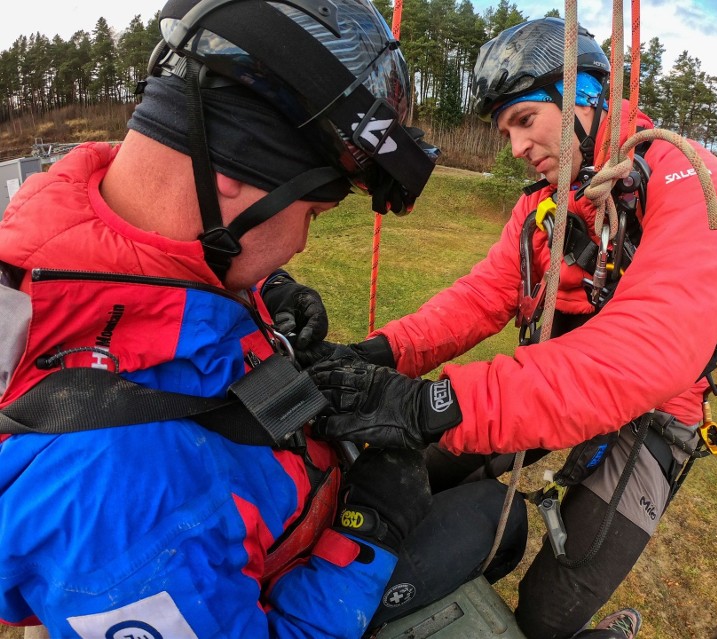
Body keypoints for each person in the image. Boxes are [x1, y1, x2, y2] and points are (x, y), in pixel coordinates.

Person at [0, 0, 465, 636]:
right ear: (234, 172)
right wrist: (368, 536)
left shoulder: (90, 243)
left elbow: (152, 312)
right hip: (309, 578)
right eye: (313, 214)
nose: (302, 242)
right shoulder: (117, 500)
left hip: (297, 499)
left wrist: (267, 295)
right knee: (495, 525)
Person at [303, 17, 717, 639]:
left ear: (584, 96)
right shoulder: (542, 206)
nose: (513, 147)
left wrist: (441, 401)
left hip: (655, 412)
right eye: (503, 129)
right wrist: (383, 353)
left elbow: (651, 349)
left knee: (552, 604)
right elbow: (484, 296)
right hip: (551, 383)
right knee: (420, 464)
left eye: (524, 120)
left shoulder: (686, 177)